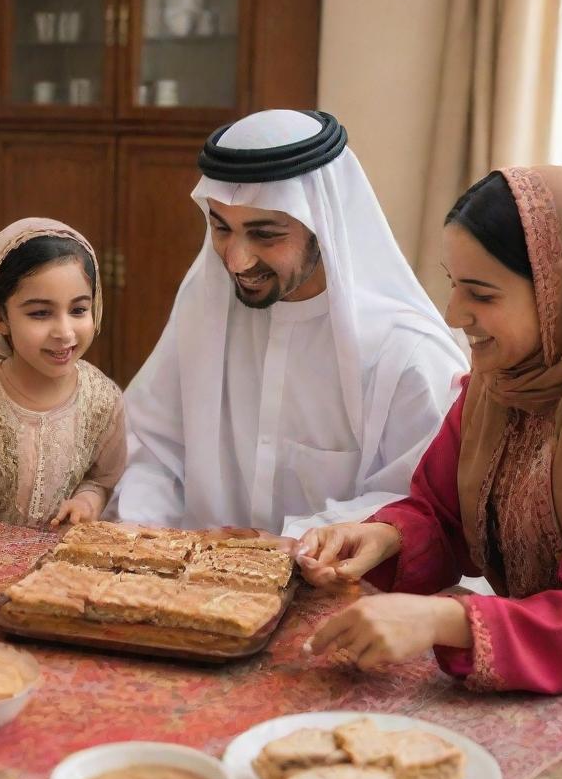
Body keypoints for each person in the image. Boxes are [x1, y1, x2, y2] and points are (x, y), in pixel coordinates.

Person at [298, 166, 562, 779]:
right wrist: (383, 536)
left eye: (481, 293)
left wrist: (445, 621)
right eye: (453, 284)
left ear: (558, 291)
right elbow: (442, 511)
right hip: (535, 677)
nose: (454, 314)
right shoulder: (500, 384)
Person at [112, 110, 467, 536]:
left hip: (346, 592)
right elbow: (152, 448)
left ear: (322, 225)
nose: (236, 260)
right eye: (221, 228)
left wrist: (291, 543)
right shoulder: (205, 306)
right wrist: (142, 534)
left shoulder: (405, 351)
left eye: (265, 235)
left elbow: (422, 506)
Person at [0, 218, 125, 544]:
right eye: (40, 314)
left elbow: (102, 479)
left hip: (62, 570)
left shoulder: (104, 399)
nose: (64, 332)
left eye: (78, 310)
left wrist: (88, 502)